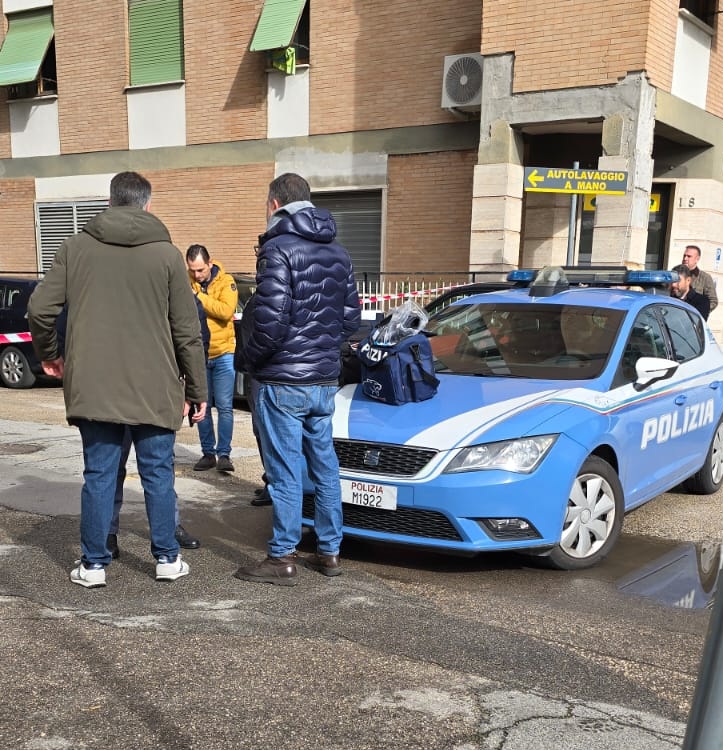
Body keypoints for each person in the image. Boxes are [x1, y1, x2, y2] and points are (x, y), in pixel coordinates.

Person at [27, 171, 208, 588]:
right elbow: (186, 331)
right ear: (147, 204)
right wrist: (197, 390)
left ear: (110, 202)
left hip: (95, 384)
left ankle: (93, 566)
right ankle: (166, 558)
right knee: (158, 473)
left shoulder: (75, 247)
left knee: (99, 473)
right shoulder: (166, 255)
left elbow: (39, 308)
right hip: (155, 385)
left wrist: (51, 355)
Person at [234, 172, 361, 586]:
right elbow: (350, 319)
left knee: (285, 469)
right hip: (323, 381)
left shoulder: (278, 250)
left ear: (275, 205)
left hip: (282, 380)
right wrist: (321, 350)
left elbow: (268, 322)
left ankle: (283, 555)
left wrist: (251, 362)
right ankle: (329, 550)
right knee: (325, 467)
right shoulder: (339, 253)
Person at [108, 297, 210, 557]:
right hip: (117, 390)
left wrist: (189, 388)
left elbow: (194, 340)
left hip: (157, 391)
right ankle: (106, 533)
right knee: (113, 467)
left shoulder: (177, 291)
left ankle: (168, 529)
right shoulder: (116, 283)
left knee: (160, 468)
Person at [186, 244, 238, 473]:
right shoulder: (185, 281)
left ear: (210, 263)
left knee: (225, 407)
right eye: (192, 270)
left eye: (200, 270)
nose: (196, 275)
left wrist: (198, 297)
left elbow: (226, 311)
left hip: (224, 352)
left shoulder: (227, 282)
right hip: (199, 353)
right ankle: (208, 453)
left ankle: (224, 454)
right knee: (201, 407)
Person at [234, 290, 271, 507]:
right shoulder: (258, 296)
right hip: (254, 371)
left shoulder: (270, 296)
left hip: (261, 372)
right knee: (260, 430)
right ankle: (271, 480)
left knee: (264, 429)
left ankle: (274, 485)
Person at [682, 245, 718, 312]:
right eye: (684, 256)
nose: (685, 258)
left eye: (689, 256)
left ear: (697, 259)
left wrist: (698, 312)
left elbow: (713, 301)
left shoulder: (705, 278)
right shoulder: (675, 274)